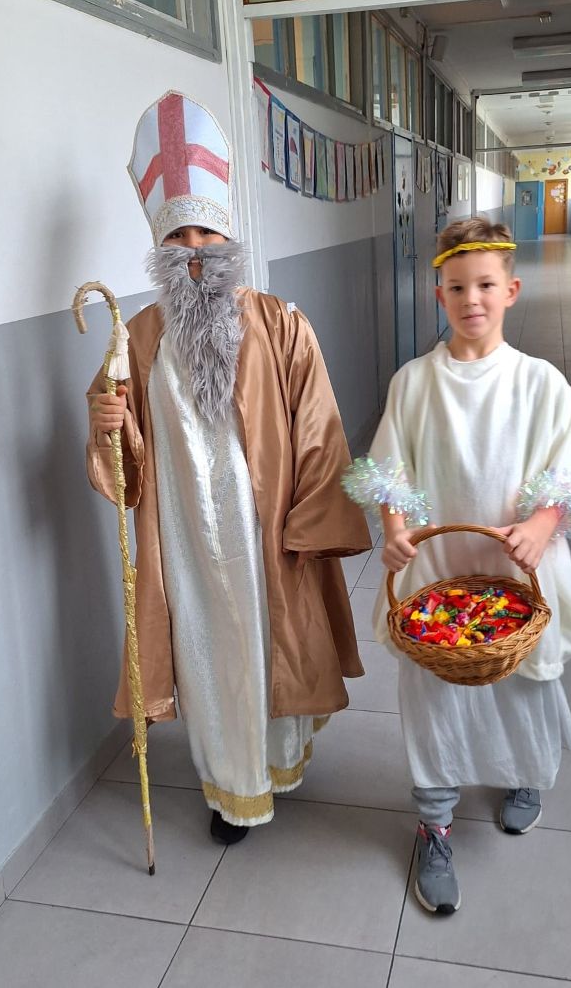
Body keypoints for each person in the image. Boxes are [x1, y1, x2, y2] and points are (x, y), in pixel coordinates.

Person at [87, 90, 371, 845]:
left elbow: (319, 430)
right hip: (184, 542)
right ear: (160, 248)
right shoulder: (135, 338)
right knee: (209, 661)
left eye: (207, 232)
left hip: (264, 534)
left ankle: (276, 765)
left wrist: (308, 524)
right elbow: (121, 457)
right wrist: (110, 425)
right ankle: (232, 791)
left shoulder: (280, 323)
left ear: (229, 235)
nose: (196, 250)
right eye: (178, 237)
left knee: (271, 648)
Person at [343, 217, 571, 914]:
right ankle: (434, 820)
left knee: (520, 681)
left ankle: (523, 773)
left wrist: (541, 524)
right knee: (435, 695)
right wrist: (395, 533)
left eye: (486, 285)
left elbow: (568, 474)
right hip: (439, 575)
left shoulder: (541, 384)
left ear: (511, 291)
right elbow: (389, 471)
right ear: (439, 295)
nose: (472, 299)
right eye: (458, 287)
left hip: (517, 571)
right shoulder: (414, 383)